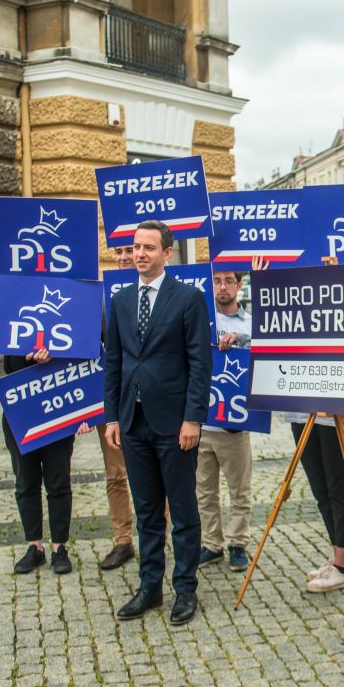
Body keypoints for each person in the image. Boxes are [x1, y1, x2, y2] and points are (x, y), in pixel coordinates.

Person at [104, 221, 211, 626]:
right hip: (133, 422)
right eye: (135, 248)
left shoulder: (188, 299)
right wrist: (112, 415)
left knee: (182, 511)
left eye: (149, 248)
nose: (140, 254)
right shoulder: (120, 300)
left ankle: (185, 588)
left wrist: (193, 418)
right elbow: (114, 361)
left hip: (174, 424)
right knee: (147, 510)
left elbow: (201, 364)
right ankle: (150, 587)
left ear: (168, 253)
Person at [0, 262, 76, 576]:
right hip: (19, 406)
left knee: (58, 481)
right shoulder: (8, 299)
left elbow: (81, 345)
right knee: (25, 481)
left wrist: (53, 352)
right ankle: (34, 546)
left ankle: (59, 548)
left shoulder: (61, 298)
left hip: (54, 401)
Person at [197, 269, 255, 573]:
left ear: (238, 285)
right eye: (217, 280)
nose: (222, 286)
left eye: (228, 280)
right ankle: (211, 544)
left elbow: (263, 351)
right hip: (201, 421)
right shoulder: (200, 319)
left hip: (235, 422)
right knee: (204, 491)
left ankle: (237, 544)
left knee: (239, 490)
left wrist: (241, 340)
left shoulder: (249, 323)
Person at [96, 240, 138, 571]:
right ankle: (123, 541)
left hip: (150, 400)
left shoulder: (160, 293)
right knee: (115, 475)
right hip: (113, 401)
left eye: (131, 250)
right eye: (120, 252)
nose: (125, 257)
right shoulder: (101, 298)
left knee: (158, 472)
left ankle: (160, 537)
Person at [290, 411, 344, 593]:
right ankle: (338, 558)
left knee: (338, 490)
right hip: (301, 415)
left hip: (336, 418)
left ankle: (343, 566)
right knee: (321, 492)